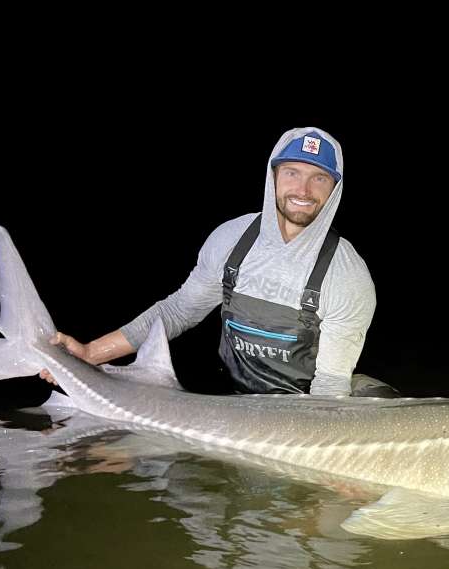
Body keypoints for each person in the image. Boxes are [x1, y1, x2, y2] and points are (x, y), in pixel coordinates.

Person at [44, 127, 393, 397]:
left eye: (319, 178)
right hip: (235, 399)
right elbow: (177, 312)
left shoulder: (347, 275)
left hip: (303, 404)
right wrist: (90, 353)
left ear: (334, 189)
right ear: (273, 177)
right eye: (292, 173)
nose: (303, 190)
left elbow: (330, 386)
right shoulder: (232, 240)